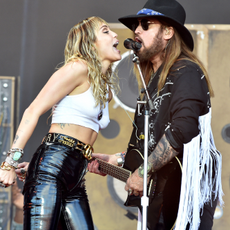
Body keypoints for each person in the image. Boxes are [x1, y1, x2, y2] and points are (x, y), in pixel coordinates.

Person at [88, 0, 224, 229]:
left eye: (145, 24)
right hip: (157, 197)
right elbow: (152, 140)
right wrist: (116, 160)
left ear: (169, 32)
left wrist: (142, 172)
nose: (137, 30)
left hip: (181, 196)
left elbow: (182, 129)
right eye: (135, 26)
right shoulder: (152, 81)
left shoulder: (186, 71)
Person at [0, 16, 121, 230]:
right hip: (52, 167)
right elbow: (32, 111)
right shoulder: (77, 68)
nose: (115, 35)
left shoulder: (105, 89)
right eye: (105, 31)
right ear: (89, 42)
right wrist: (9, 163)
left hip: (75, 174)